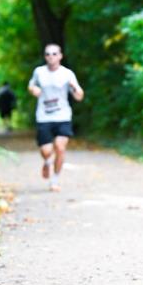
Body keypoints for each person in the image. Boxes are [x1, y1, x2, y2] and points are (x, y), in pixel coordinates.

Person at [29, 44, 84, 191]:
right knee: (46, 151)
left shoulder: (67, 74)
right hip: (44, 117)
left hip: (63, 116)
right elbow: (31, 86)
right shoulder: (39, 72)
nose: (51, 57)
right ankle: (47, 162)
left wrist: (75, 88)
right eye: (48, 54)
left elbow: (79, 96)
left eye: (54, 54)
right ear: (45, 56)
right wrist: (34, 89)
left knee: (60, 147)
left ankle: (55, 180)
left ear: (60, 56)